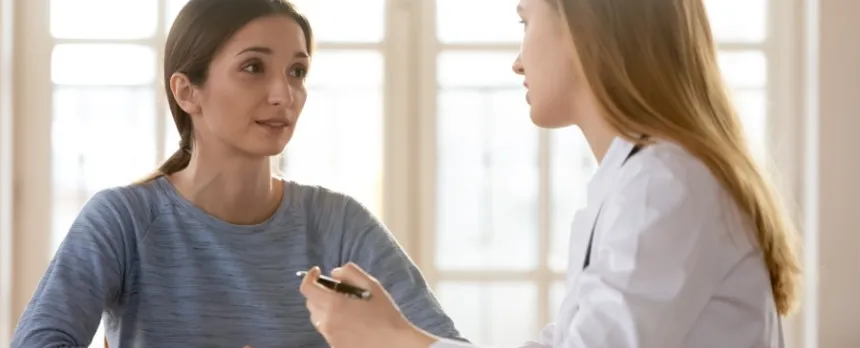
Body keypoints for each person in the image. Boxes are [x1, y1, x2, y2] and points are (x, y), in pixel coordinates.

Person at [298, 0, 803, 347]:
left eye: (525, 20)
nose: (518, 62)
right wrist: (400, 335)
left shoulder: (666, 186)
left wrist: (395, 340)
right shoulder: (638, 179)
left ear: (584, 28)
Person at [11, 0, 464, 347]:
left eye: (297, 71)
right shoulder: (123, 219)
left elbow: (447, 346)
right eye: (253, 67)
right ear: (188, 91)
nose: (283, 94)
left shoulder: (339, 223)